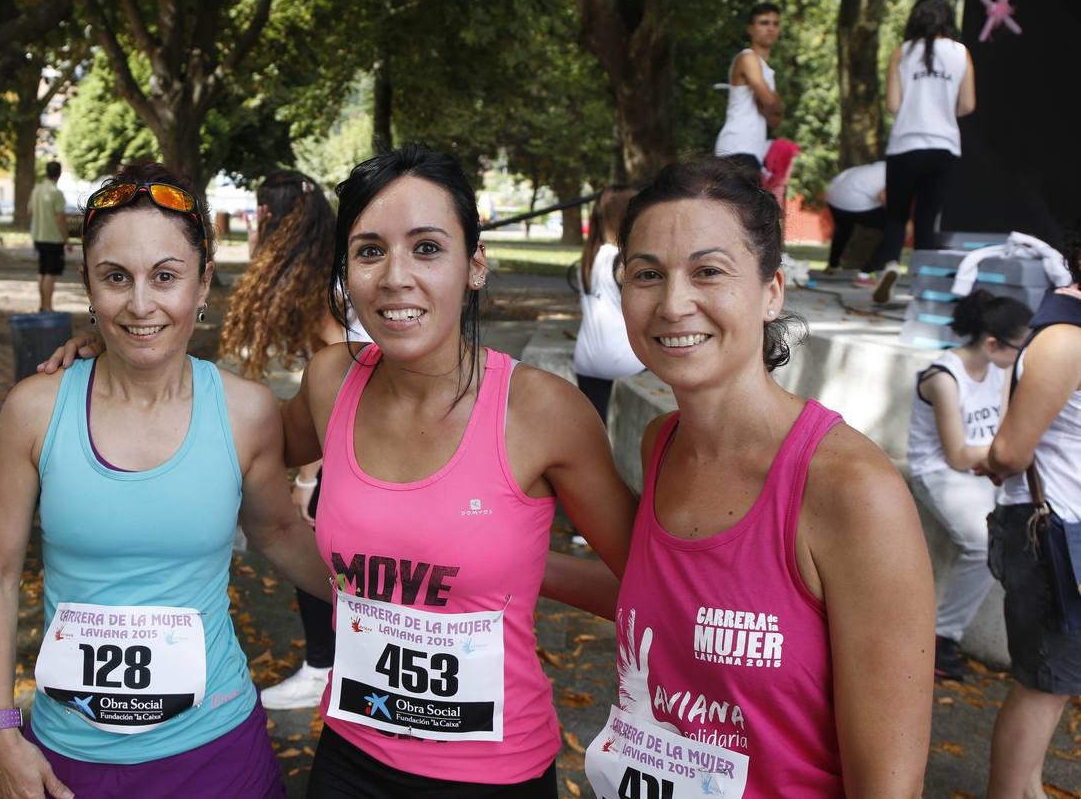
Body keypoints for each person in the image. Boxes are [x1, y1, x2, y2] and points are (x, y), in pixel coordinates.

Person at [0, 162, 332, 798]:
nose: (140, 304)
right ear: (87, 283)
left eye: (165, 276)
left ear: (202, 282)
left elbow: (277, 531)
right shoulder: (35, 409)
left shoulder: (244, 412)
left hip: (216, 754)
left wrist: (385, 606)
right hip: (66, 763)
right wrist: (0, 729)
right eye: (116, 277)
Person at [281, 146, 635, 797]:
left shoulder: (540, 411)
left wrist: (519, 570)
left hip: (492, 775)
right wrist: (109, 367)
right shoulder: (332, 379)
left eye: (426, 248)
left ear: (474, 265)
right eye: (368, 251)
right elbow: (234, 437)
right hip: (349, 756)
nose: (394, 277)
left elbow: (649, 583)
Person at [582, 158, 934, 797]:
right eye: (647, 274)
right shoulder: (662, 442)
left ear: (772, 289)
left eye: (708, 271)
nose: (673, 302)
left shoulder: (852, 492)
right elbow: (673, 606)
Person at [218, 170, 350, 712]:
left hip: (339, 456)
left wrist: (307, 478)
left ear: (270, 217)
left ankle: (324, 667)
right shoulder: (315, 275)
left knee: (316, 554)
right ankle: (331, 664)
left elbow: (336, 384)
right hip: (337, 449)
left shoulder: (321, 290)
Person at [975, 228, 1081, 799]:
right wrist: (982, 459)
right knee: (1043, 685)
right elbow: (1012, 452)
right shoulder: (1065, 339)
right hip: (1053, 535)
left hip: (1067, 533)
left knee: (1054, 685)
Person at [906, 290, 1031, 680]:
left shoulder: (1001, 368)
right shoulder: (944, 377)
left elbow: (1004, 427)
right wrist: (1007, 454)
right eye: (1019, 346)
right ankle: (943, 638)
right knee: (982, 543)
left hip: (983, 466)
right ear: (992, 343)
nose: (1025, 354)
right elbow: (957, 454)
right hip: (941, 472)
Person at [859, 0, 977, 303]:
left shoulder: (902, 52)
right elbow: (968, 104)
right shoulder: (961, 53)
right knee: (927, 218)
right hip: (944, 148)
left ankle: (890, 266)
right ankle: (925, 289)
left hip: (906, 146)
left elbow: (892, 104)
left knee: (897, 216)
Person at [573, 185, 645, 425]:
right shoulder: (622, 261)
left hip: (586, 359)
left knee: (594, 428)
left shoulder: (589, 257)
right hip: (623, 360)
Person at [714, 2, 784, 173]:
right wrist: (771, 103)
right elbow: (770, 103)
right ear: (750, 29)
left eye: (775, 23)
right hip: (737, 148)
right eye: (764, 22)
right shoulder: (748, 57)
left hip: (752, 152)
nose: (770, 28)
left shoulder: (767, 71)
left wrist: (771, 104)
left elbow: (775, 120)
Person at [820, 160, 885, 273]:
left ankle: (833, 265)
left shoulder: (878, 165)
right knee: (895, 227)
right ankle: (870, 271)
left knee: (843, 229)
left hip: (833, 195)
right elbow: (883, 197)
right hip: (854, 198)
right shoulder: (901, 169)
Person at [30, 160, 70, 312]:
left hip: (38, 236)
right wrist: (66, 240)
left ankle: (42, 304)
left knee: (42, 271)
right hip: (53, 238)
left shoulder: (36, 190)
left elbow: (30, 211)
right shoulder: (56, 193)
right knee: (50, 274)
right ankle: (48, 307)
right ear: (59, 173)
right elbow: (60, 218)